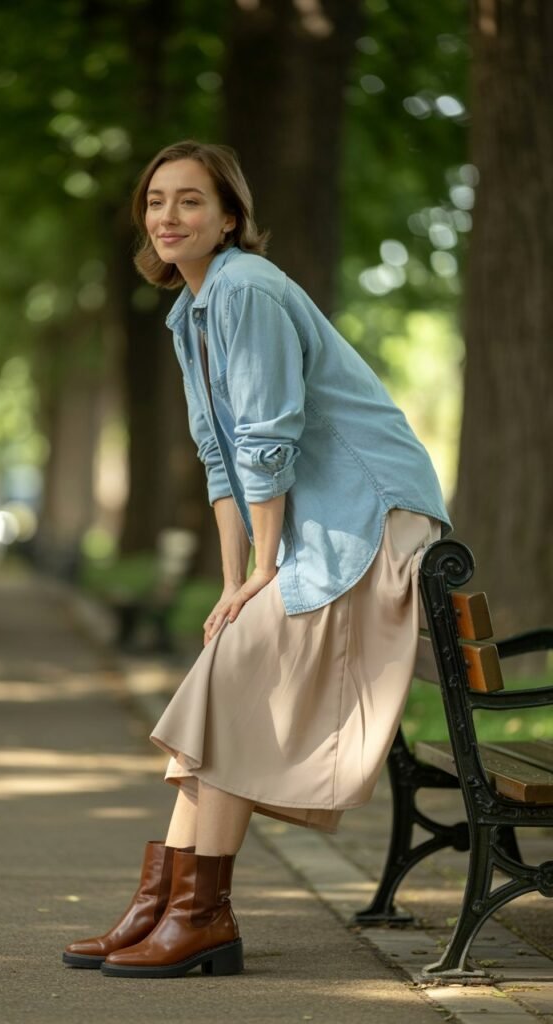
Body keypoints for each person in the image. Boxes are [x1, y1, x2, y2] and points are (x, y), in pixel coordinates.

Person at [63, 140, 451, 979]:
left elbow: (266, 440)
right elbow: (221, 458)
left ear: (230, 217)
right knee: (222, 679)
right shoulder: (190, 313)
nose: (169, 216)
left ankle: (197, 914)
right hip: (314, 529)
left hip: (368, 521)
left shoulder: (247, 289)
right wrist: (234, 581)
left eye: (190, 200)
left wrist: (266, 570)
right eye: (156, 201)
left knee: (230, 679)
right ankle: (171, 908)